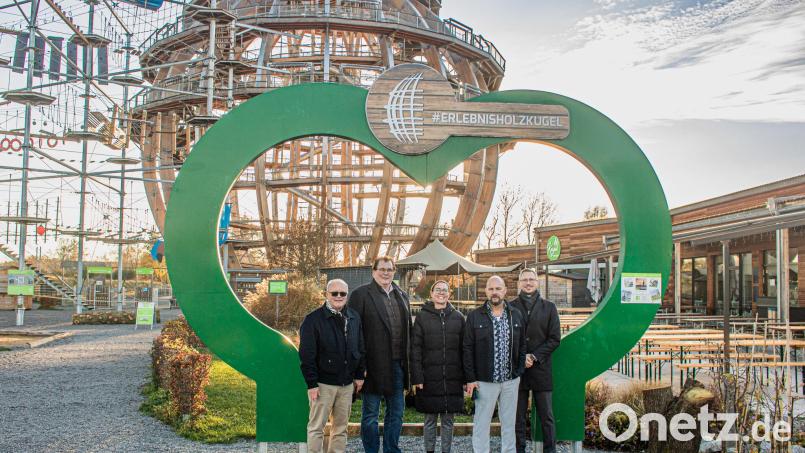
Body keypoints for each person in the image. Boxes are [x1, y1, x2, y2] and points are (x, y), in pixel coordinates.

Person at [347, 256, 412, 453]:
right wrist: (360, 367)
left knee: (396, 413)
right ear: (373, 271)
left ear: (394, 271)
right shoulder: (360, 295)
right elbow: (353, 333)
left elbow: (408, 331)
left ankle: (391, 449)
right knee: (370, 415)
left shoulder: (402, 295)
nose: (386, 273)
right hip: (372, 366)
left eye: (389, 269)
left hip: (398, 365)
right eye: (382, 269)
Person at [298, 279, 365, 453]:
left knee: (341, 428)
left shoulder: (354, 317)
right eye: (334, 293)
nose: (338, 296)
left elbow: (360, 347)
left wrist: (359, 375)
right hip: (322, 385)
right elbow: (306, 356)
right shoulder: (313, 320)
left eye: (342, 293)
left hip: (346, 384)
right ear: (326, 294)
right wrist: (312, 384)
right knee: (316, 427)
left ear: (347, 295)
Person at [464, 275, 526, 453]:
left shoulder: (516, 314)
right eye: (491, 289)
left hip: (510, 381)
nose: (494, 292)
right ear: (486, 291)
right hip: (485, 381)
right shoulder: (475, 316)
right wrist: (471, 378)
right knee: (481, 423)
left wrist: (519, 371)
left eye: (498, 289)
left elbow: (522, 345)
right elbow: (467, 348)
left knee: (509, 423)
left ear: (505, 291)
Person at [411, 280, 466, 453]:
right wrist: (417, 377)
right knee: (430, 420)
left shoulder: (458, 317)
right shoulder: (422, 317)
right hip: (429, 378)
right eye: (438, 290)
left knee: (448, 421)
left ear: (449, 294)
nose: (441, 293)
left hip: (452, 378)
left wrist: (465, 378)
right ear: (432, 294)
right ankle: (429, 450)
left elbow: (464, 350)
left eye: (445, 290)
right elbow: (415, 349)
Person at [511, 269, 561, 453]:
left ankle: (550, 450)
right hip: (517, 370)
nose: (528, 283)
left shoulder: (549, 307)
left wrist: (533, 356)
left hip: (541, 369)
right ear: (519, 283)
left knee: (546, 416)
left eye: (531, 279)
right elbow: (507, 337)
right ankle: (519, 449)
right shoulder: (510, 307)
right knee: (518, 417)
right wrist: (521, 357)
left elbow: (554, 339)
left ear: (537, 282)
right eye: (524, 280)